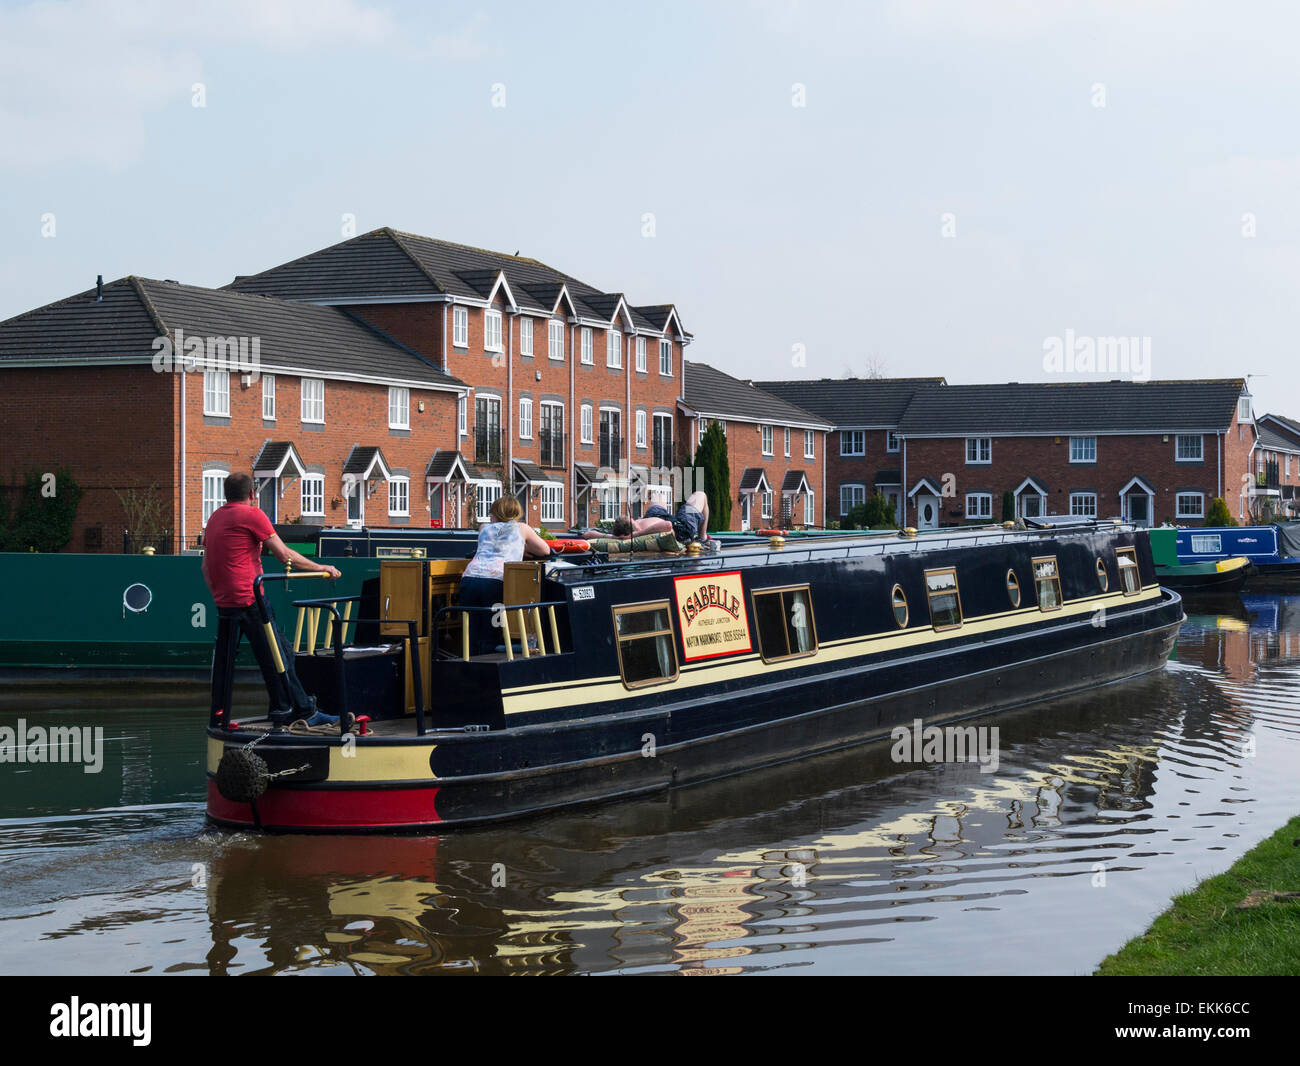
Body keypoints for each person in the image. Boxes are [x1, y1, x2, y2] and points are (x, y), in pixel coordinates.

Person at [202, 472, 341, 729]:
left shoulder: (214, 518)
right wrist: (321, 567)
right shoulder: (253, 515)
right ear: (252, 494)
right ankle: (303, 712)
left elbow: (205, 567)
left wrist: (220, 596)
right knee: (280, 655)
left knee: (245, 659)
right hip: (249, 599)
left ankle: (230, 714)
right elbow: (284, 555)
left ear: (225, 494)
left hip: (225, 604)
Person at [459, 495, 552, 655]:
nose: (490, 516)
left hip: (469, 578)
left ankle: (470, 658)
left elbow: (492, 546)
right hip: (495, 581)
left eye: (491, 513)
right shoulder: (522, 528)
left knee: (472, 627)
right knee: (492, 628)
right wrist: (522, 548)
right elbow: (545, 550)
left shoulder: (483, 527)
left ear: (497, 513)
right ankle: (490, 660)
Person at [612, 491, 712, 545]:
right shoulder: (639, 531)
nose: (630, 517)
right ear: (628, 521)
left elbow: (595, 533)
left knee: (658, 495)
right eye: (629, 518)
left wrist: (612, 537)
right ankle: (702, 537)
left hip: (656, 517)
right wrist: (637, 533)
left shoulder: (622, 532)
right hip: (680, 527)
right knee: (700, 495)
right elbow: (668, 525)